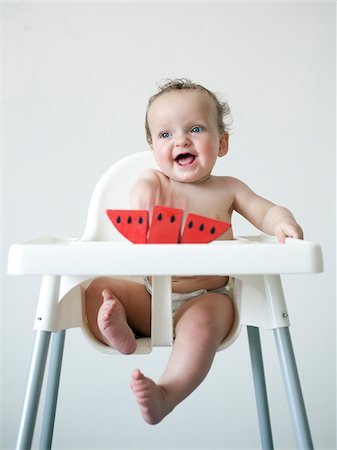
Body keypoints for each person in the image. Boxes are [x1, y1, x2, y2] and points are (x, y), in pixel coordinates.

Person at [85, 78, 303, 425]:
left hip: (210, 298)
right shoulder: (154, 180)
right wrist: (144, 199)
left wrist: (282, 221)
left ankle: (167, 394)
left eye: (196, 129)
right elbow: (141, 197)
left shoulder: (228, 189)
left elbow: (264, 210)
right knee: (96, 291)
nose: (181, 140)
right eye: (166, 135)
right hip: (151, 295)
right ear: (153, 147)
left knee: (201, 324)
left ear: (223, 142)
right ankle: (119, 334)